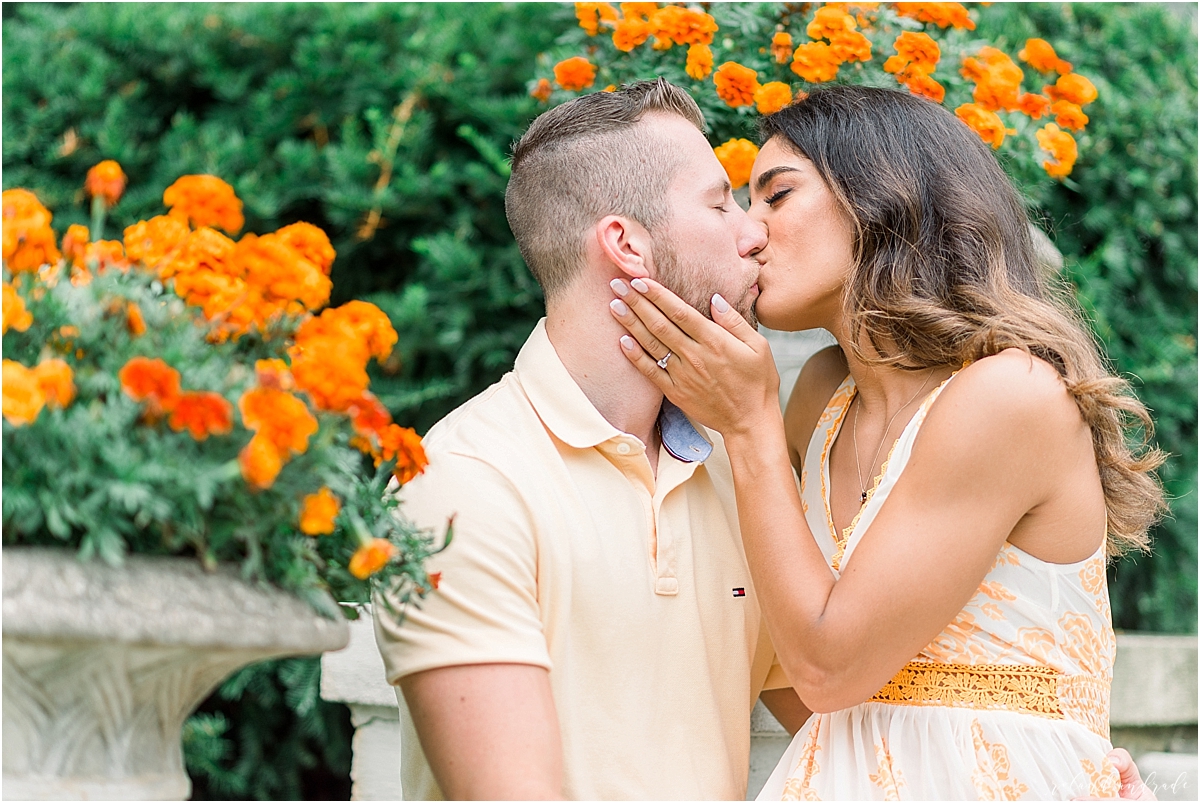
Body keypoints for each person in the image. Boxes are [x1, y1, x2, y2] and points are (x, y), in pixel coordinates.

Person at [608, 84, 1165, 799]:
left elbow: (828, 665)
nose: (748, 234)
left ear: (883, 196)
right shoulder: (821, 399)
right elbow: (810, 679)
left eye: (776, 196)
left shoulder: (1010, 394)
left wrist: (747, 428)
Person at [372, 78, 811, 801]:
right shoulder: (460, 483)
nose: (751, 231)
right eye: (718, 201)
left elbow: (847, 719)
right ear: (627, 244)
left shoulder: (741, 472)